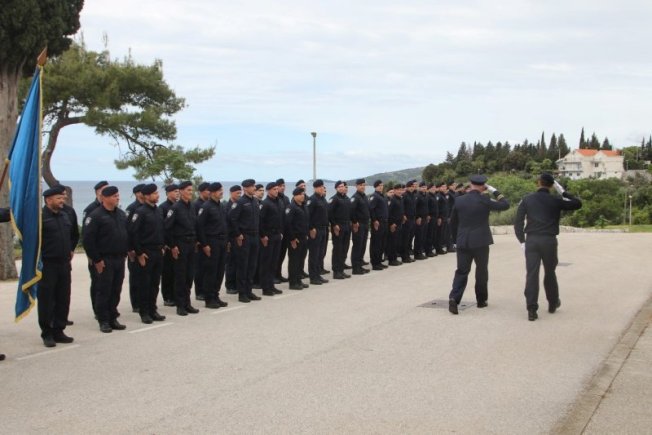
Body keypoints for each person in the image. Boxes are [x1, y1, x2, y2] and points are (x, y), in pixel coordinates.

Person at [514, 173, 582, 321]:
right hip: (549, 241)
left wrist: (522, 241)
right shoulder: (556, 200)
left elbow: (518, 221)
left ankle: (532, 309)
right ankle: (552, 302)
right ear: (551, 186)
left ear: (538, 183)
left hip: (532, 240)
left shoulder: (527, 199)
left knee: (532, 274)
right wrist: (562, 191)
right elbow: (577, 203)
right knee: (550, 272)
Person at [447, 175, 509, 315]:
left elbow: (453, 222)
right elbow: (505, 204)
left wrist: (456, 240)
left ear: (470, 184)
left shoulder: (459, 200)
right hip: (481, 241)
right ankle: (481, 300)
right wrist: (494, 191)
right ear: (483, 186)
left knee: (461, 271)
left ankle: (454, 298)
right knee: (481, 271)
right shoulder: (485, 200)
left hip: (463, 241)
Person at [83, 186, 129, 332]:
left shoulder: (121, 214)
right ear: (105, 198)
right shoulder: (95, 216)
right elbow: (88, 240)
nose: (118, 198)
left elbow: (127, 233)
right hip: (104, 259)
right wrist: (96, 259)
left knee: (116, 289)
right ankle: (103, 320)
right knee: (104, 290)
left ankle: (112, 317)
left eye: (118, 195)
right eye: (114, 196)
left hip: (119, 258)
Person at [38, 186, 76, 347]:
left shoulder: (64, 216)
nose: (62, 200)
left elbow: (72, 235)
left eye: (63, 197)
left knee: (63, 298)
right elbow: (31, 241)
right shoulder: (40, 218)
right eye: (59, 198)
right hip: (48, 264)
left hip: (64, 263)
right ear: (48, 200)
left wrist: (71, 250)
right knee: (47, 300)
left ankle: (59, 330)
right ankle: (47, 333)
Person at [130, 183, 167, 324]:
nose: (157, 195)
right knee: (144, 284)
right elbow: (134, 234)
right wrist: (139, 253)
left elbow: (162, 230)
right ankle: (144, 312)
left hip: (158, 251)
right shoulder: (140, 212)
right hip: (146, 252)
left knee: (154, 283)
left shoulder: (158, 211)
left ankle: (153, 309)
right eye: (154, 193)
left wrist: (162, 246)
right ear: (146, 196)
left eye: (157, 193)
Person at [164, 181, 199, 316]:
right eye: (188, 190)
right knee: (180, 276)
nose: (191, 192)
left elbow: (195, 225)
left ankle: (187, 303)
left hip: (191, 244)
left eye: (191, 190)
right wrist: (172, 246)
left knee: (189, 275)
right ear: (181, 191)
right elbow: (167, 229)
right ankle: (180, 305)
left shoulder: (192, 206)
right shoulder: (175, 208)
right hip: (180, 244)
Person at [197, 182, 230, 308]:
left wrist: (227, 241)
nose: (221, 192)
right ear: (212, 193)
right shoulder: (206, 207)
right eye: (218, 190)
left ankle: (216, 295)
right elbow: (200, 227)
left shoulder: (221, 206)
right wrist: (204, 244)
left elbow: (225, 224)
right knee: (211, 271)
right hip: (212, 242)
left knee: (220, 271)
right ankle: (209, 298)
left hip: (222, 241)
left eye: (221, 189)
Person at [228, 179, 262, 303]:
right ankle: (242, 293)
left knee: (252, 265)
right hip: (245, 237)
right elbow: (232, 218)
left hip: (255, 236)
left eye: (254, 186)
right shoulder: (240, 202)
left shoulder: (255, 201)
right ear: (245, 188)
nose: (254, 188)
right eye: (251, 186)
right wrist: (238, 234)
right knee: (243, 266)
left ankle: (249, 291)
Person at [82, 180, 108, 317]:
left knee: (109, 284)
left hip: (109, 254)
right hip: (96, 254)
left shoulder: (111, 209)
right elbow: (86, 235)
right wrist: (91, 255)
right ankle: (97, 310)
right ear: (98, 192)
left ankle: (109, 309)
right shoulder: (91, 209)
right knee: (98, 283)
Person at [258, 182, 284, 296]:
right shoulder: (265, 204)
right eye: (274, 189)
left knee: (274, 262)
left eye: (277, 189)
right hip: (268, 236)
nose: (276, 191)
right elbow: (260, 221)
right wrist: (263, 236)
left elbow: (281, 218)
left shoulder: (279, 202)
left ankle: (271, 284)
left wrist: (281, 232)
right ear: (268, 191)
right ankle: (265, 287)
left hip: (277, 235)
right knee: (266, 262)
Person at [125, 183, 145, 313]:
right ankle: (136, 304)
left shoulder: (148, 207)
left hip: (145, 247)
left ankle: (145, 302)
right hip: (134, 249)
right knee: (136, 278)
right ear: (137, 194)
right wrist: (130, 249)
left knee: (145, 278)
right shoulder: (132, 208)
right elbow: (127, 230)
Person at [286, 187, 310, 290]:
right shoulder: (291, 207)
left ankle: (298, 280)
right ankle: (293, 283)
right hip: (295, 238)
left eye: (303, 194)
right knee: (294, 261)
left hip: (304, 237)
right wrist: (292, 238)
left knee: (301, 260)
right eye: (300, 194)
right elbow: (288, 224)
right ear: (295, 196)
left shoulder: (304, 206)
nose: (302, 196)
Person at [307, 179, 330, 285]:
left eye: (322, 187)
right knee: (314, 254)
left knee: (320, 253)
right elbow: (307, 215)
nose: (322, 188)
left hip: (323, 229)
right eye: (320, 187)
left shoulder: (323, 199)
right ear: (315, 188)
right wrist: (311, 228)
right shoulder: (312, 200)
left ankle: (318, 274)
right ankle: (313, 277)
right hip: (315, 230)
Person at [159, 184, 179, 306]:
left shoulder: (179, 206)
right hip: (168, 245)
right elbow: (163, 227)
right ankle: (167, 297)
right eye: (175, 191)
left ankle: (176, 295)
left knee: (177, 272)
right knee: (167, 272)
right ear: (168, 193)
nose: (177, 193)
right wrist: (166, 244)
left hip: (178, 244)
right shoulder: (163, 207)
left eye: (178, 191)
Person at [328, 181, 352, 279]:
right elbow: (330, 213)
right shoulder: (334, 199)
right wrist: (334, 225)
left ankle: (341, 270)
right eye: (340, 186)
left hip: (347, 226)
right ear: (336, 188)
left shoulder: (347, 198)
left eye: (343, 186)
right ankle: (336, 271)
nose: (342, 188)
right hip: (338, 226)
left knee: (344, 249)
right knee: (337, 249)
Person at [192, 182, 211, 301]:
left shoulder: (209, 204)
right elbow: (195, 224)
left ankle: (207, 289)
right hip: (200, 242)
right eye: (207, 190)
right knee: (200, 268)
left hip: (209, 240)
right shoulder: (196, 205)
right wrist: (197, 240)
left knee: (208, 267)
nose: (209, 192)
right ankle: (199, 292)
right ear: (201, 192)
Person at [350, 178, 371, 275]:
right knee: (357, 246)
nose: (363, 187)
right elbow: (351, 211)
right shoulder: (355, 197)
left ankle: (360, 265)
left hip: (365, 224)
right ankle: (355, 268)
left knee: (362, 246)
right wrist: (355, 222)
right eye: (361, 185)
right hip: (358, 224)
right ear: (356, 186)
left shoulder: (364, 196)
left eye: (364, 185)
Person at [225, 185, 242, 294]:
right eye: (237, 193)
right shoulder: (226, 206)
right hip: (230, 237)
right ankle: (230, 285)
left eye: (240, 193)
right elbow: (226, 224)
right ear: (231, 193)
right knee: (230, 263)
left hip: (239, 237)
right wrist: (227, 240)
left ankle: (237, 283)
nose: (239, 195)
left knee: (238, 261)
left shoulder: (239, 205)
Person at [369, 180, 388, 271]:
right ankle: (375, 263)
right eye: (379, 185)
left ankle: (379, 261)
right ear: (375, 186)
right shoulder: (374, 196)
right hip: (378, 223)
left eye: (382, 185)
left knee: (382, 243)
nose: (381, 187)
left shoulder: (382, 196)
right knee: (376, 243)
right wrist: (374, 220)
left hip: (384, 222)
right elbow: (371, 209)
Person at [275, 178, 291, 283]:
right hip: (277, 231)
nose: (282, 188)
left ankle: (278, 274)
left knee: (282, 255)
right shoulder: (275, 199)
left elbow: (288, 213)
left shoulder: (286, 199)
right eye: (280, 186)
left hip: (285, 230)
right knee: (275, 255)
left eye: (283, 186)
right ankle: (273, 275)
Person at [387, 184, 405, 266]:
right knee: (392, 242)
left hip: (399, 223)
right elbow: (389, 213)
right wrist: (391, 223)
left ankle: (395, 258)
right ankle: (391, 260)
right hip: (393, 224)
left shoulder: (400, 199)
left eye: (401, 190)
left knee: (396, 242)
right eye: (398, 190)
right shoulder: (392, 200)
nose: (400, 191)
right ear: (394, 191)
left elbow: (400, 210)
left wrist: (403, 217)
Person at [401, 180, 417, 263]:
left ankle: (407, 255)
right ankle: (404, 256)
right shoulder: (404, 195)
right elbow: (402, 207)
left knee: (410, 238)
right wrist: (403, 215)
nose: (412, 188)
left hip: (412, 218)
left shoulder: (413, 195)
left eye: (412, 187)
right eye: (410, 187)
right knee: (405, 239)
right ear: (407, 187)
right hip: (406, 219)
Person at [413, 181, 429, 260]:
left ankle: (420, 252)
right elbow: (415, 207)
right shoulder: (417, 196)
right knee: (419, 236)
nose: (424, 188)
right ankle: (417, 253)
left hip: (425, 218)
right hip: (419, 219)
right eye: (422, 187)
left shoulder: (425, 195)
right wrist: (417, 217)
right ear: (419, 188)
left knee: (423, 236)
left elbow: (426, 207)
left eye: (425, 187)